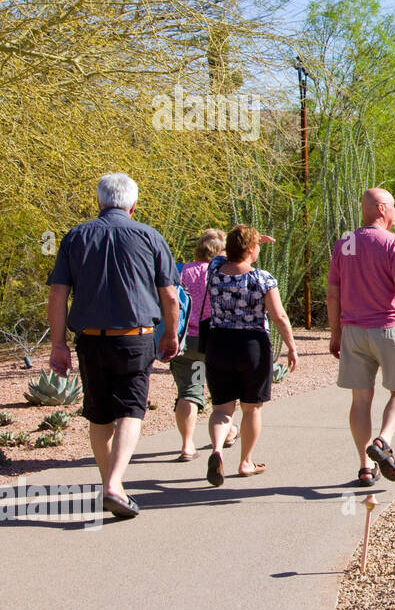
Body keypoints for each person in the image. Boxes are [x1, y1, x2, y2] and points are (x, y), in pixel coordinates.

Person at [45, 173, 180, 519]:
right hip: (135, 338)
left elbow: (58, 294)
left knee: (99, 414)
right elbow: (169, 294)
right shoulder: (149, 236)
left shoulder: (75, 237)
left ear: (99, 202)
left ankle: (111, 484)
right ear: (133, 205)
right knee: (130, 411)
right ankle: (114, 486)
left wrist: (58, 344)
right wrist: (171, 334)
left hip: (90, 339)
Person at [328, 187, 395, 488]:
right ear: (382, 209)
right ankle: (383, 441)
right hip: (388, 328)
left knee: (360, 399)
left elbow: (333, 292)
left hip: (353, 331)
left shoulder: (345, 243)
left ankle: (365, 467)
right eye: (394, 206)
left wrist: (335, 333)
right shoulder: (394, 243)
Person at [203, 224, 297, 487]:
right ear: (252, 249)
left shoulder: (215, 270)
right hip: (252, 345)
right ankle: (245, 461)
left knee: (222, 407)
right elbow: (278, 315)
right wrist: (291, 346)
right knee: (252, 407)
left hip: (219, 342)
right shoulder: (262, 278)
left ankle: (217, 451)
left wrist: (244, 242)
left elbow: (220, 253)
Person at [170, 229, 239, 461]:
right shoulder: (221, 272)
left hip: (184, 341)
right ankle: (227, 433)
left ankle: (187, 445)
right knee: (223, 393)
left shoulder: (179, 271)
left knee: (189, 391)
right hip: (216, 339)